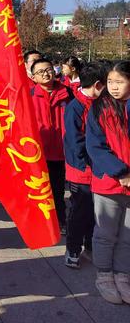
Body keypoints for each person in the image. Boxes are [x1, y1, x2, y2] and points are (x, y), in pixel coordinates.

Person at [86, 61, 130, 305]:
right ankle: (104, 275)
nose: (113, 87)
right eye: (110, 82)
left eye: (120, 82)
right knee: (105, 233)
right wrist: (121, 172)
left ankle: (123, 275)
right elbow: (95, 147)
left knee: (128, 234)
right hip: (109, 183)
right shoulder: (99, 109)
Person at [63, 63, 106, 268]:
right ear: (98, 85)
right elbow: (75, 141)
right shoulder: (76, 106)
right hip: (81, 169)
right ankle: (72, 248)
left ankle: (90, 245)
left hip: (98, 168)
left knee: (95, 211)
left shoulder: (101, 103)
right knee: (79, 211)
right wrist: (93, 158)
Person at [30, 58, 73, 233]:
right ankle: (40, 225)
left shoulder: (68, 93)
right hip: (37, 153)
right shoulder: (29, 95)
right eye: (40, 72)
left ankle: (60, 222)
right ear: (33, 77)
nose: (46, 73)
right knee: (38, 191)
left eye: (48, 69)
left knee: (57, 190)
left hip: (61, 151)